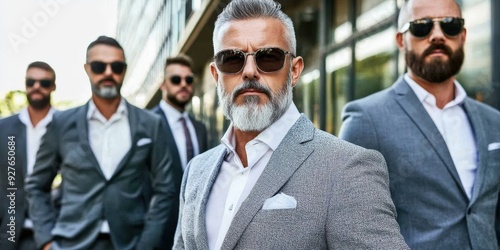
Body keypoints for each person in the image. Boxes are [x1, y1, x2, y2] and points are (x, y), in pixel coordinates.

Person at [173, 0, 409, 249]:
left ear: (294, 71)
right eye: (232, 60)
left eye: (269, 57)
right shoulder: (196, 171)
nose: (250, 71)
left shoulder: (346, 168)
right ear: (215, 75)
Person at [339, 0, 500, 249]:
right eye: (421, 27)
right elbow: (349, 226)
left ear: (463, 35)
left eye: (450, 25)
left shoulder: (493, 122)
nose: (437, 35)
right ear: (401, 40)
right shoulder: (366, 119)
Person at [25, 36, 176, 250]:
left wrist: (147, 244)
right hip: (71, 243)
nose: (108, 73)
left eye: (116, 66)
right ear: (87, 69)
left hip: (130, 243)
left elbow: (165, 190)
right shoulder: (60, 124)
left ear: (124, 70)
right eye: (99, 66)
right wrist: (47, 240)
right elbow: (36, 185)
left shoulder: (151, 124)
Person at [152, 55, 208, 249]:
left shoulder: (200, 128)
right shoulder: (147, 124)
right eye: (176, 80)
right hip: (158, 233)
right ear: (163, 85)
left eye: (189, 80)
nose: (183, 84)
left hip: (195, 232)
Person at [0, 61, 57, 250]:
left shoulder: (66, 125)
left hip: (53, 231)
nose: (36, 87)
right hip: (9, 231)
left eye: (44, 83)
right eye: (31, 82)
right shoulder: (4, 128)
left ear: (53, 86)